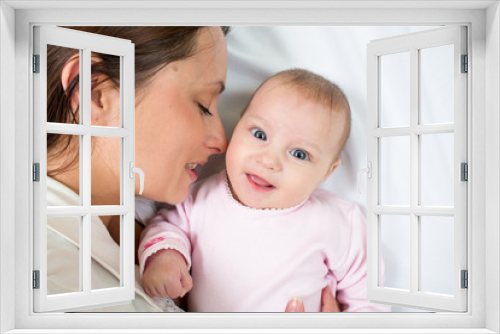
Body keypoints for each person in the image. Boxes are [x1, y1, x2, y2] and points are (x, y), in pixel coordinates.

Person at [46, 26, 334, 312]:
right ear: (95, 93)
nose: (222, 142)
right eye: (203, 105)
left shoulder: (161, 216)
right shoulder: (51, 281)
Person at [138, 69, 390, 312]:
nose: (269, 160)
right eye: (259, 134)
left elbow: (369, 301)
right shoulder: (200, 198)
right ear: (237, 127)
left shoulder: (339, 222)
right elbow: (167, 227)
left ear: (326, 172)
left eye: (299, 154)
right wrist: (166, 256)